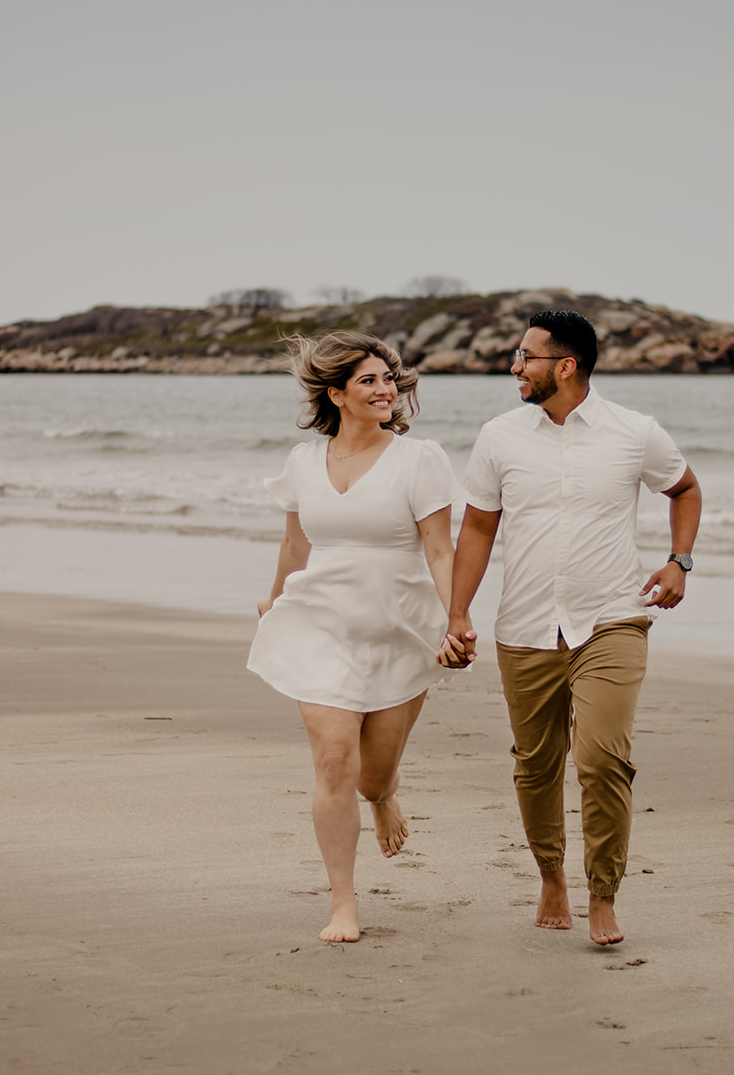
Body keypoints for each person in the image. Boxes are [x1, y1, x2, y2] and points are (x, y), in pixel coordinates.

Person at [438, 309, 701, 947]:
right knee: (535, 765)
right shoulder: (499, 436)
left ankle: (603, 893)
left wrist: (678, 561)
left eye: (525, 356)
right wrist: (456, 612)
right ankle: (551, 876)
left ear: (565, 365)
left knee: (602, 759)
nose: (513, 366)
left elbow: (686, 488)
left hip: (612, 618)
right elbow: (477, 528)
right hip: (524, 625)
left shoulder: (634, 433)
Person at [249, 331, 456, 944]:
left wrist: (457, 621)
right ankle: (343, 902)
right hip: (320, 621)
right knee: (336, 758)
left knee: (372, 772)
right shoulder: (303, 462)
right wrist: (275, 596)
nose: (385, 389)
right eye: (368, 380)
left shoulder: (422, 460)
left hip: (399, 625)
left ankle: (384, 794)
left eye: (389, 378)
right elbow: (295, 543)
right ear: (335, 394)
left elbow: (440, 551)